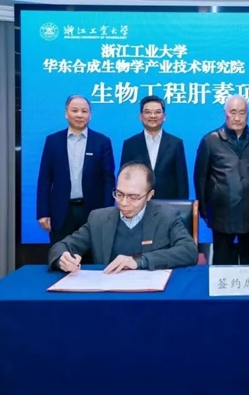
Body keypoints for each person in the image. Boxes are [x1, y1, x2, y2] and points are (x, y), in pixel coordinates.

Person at [48, 162, 198, 273]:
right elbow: (62, 246)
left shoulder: (166, 216)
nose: (124, 203)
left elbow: (189, 251)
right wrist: (62, 258)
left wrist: (139, 261)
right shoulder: (98, 219)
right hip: (109, 295)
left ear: (149, 195)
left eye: (133, 197)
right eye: (119, 194)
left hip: (150, 296)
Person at [194, 95, 249, 265]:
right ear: (225, 113)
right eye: (233, 112)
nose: (237, 118)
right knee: (223, 263)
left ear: (248, 115)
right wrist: (206, 213)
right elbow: (200, 179)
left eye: (242, 113)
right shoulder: (210, 140)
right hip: (221, 214)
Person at [36, 95, 115, 244]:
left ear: (90, 115)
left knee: (93, 255)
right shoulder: (53, 141)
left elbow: (108, 181)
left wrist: (107, 213)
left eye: (84, 111)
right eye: (75, 110)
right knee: (61, 254)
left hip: (93, 212)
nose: (79, 115)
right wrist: (43, 212)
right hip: (61, 212)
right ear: (66, 113)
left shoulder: (102, 142)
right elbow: (45, 179)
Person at [119, 95, 189, 200]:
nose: (153, 116)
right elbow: (124, 177)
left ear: (164, 116)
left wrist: (182, 205)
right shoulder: (130, 144)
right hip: (137, 202)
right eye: (147, 112)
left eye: (157, 112)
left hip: (167, 203)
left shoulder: (176, 143)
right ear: (140, 116)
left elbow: (181, 180)